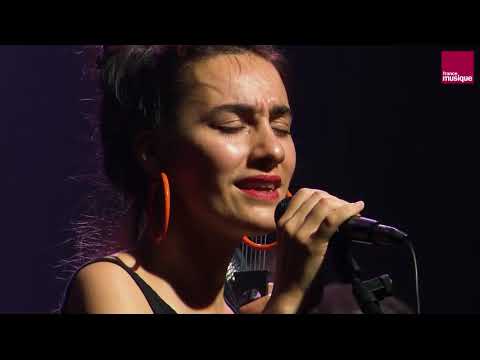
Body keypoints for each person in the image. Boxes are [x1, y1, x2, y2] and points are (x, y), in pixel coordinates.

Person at [61, 45, 365, 314]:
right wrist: (288, 299)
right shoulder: (109, 285)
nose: (272, 150)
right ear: (152, 152)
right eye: (230, 125)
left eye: (281, 127)